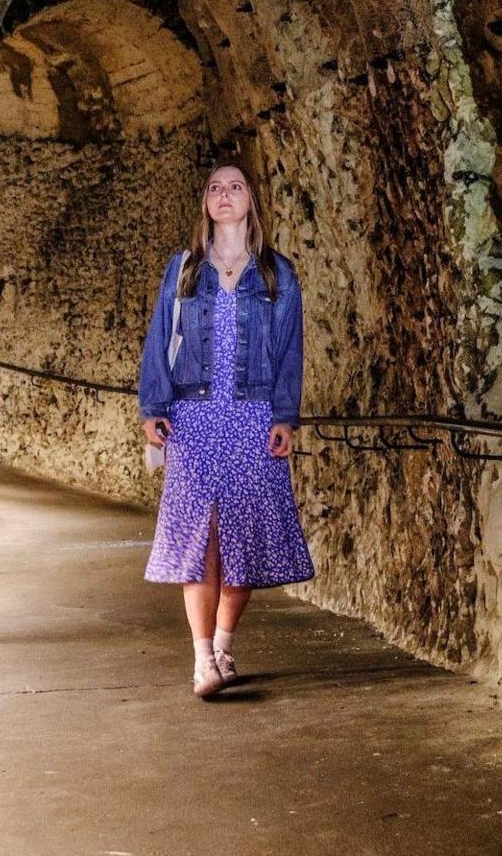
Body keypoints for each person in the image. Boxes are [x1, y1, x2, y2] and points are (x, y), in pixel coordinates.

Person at [138, 161, 315, 698]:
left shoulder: (276, 274)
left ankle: (223, 645)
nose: (224, 195)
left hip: (253, 419)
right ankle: (201, 662)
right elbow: (158, 338)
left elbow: (290, 352)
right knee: (200, 540)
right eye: (215, 188)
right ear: (206, 203)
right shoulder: (185, 268)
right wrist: (153, 406)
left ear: (250, 201)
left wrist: (285, 417)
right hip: (193, 419)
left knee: (243, 542)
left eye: (235, 186)